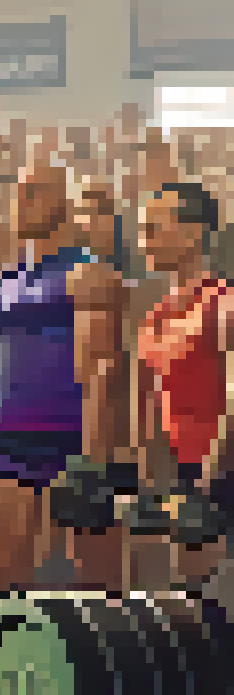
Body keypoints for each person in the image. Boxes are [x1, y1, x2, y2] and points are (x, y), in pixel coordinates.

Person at [0, 166, 131, 593]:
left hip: (71, 442)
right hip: (3, 444)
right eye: (19, 194)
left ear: (64, 203)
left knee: (102, 595)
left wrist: (93, 461)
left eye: (35, 192)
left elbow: (101, 372)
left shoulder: (90, 275)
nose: (23, 202)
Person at [133, 184, 234, 598]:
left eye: (156, 227)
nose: (145, 239)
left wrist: (211, 474)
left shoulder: (223, 304)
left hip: (219, 470)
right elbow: (154, 400)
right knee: (191, 594)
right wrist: (154, 478)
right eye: (144, 228)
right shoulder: (157, 315)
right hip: (180, 471)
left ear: (193, 233)